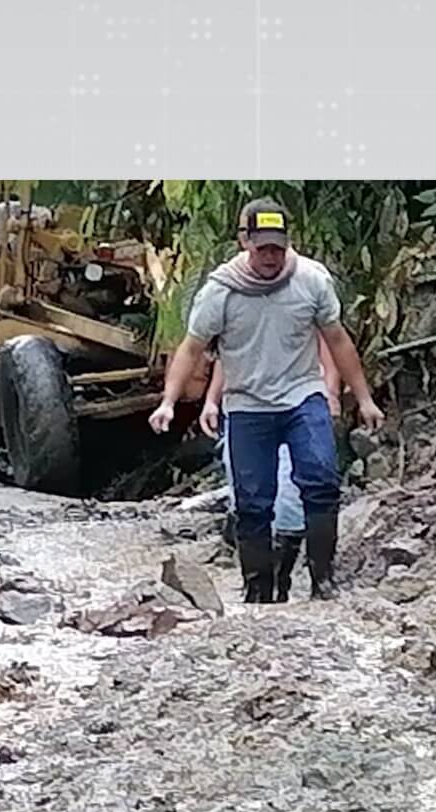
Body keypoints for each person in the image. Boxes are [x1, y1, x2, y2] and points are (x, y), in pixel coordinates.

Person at [150, 197, 384, 602]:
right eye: (263, 249)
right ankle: (258, 589)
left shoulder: (311, 280)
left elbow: (337, 340)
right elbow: (191, 348)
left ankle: (323, 580)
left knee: (321, 480)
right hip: (247, 406)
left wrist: (363, 398)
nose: (271, 257)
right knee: (253, 501)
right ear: (246, 243)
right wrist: (169, 401)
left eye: (278, 248)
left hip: (301, 397)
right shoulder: (220, 293)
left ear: (287, 243)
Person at [201, 336, 342, 602]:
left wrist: (330, 393)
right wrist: (212, 399)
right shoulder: (235, 304)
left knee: (291, 494)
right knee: (246, 491)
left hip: (298, 404)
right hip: (246, 405)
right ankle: (260, 587)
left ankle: (288, 582)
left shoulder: (302, 301)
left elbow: (329, 347)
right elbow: (227, 358)